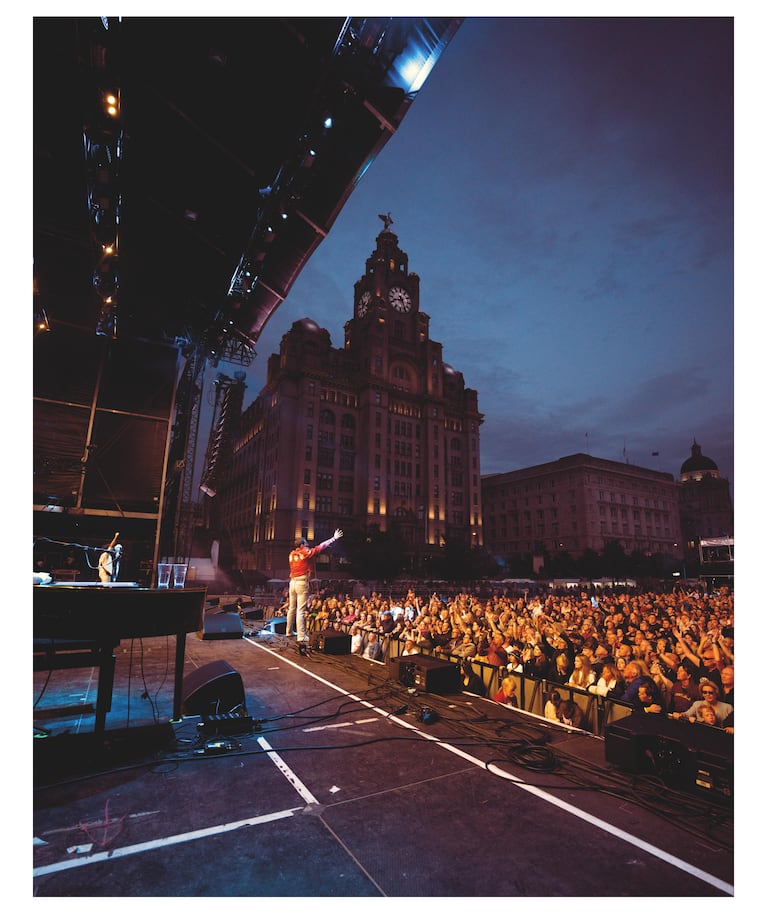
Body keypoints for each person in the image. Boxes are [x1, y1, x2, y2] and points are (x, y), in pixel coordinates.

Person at [286, 529, 342, 643]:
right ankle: (301, 636)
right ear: (302, 545)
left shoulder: (291, 554)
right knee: (300, 610)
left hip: (292, 582)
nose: (307, 544)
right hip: (301, 582)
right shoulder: (305, 552)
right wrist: (334, 538)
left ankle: (289, 631)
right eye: (305, 543)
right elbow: (320, 547)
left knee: (292, 608)